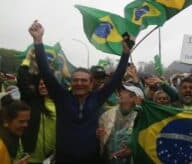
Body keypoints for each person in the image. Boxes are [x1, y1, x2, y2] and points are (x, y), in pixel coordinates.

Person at [28, 20, 132, 163]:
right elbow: (46, 72)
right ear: (71, 82)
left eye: (84, 80)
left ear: (91, 83)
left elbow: (116, 78)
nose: (79, 83)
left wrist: (126, 53)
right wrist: (38, 41)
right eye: (76, 80)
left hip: (92, 159)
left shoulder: (98, 98)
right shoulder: (61, 97)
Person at [98, 84, 141, 164]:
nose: (120, 94)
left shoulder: (141, 117)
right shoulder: (107, 115)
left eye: (125, 92)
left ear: (134, 98)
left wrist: (132, 150)